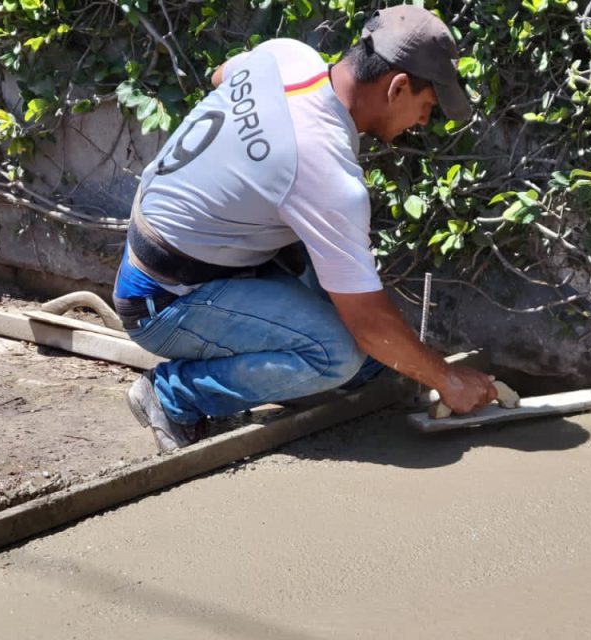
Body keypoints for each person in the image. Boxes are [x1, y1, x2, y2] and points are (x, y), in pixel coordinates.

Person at [114, 5, 499, 451]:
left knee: (348, 292)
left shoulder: (286, 56)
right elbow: (368, 322)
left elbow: (221, 76)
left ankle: (357, 368)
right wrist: (446, 378)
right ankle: (173, 396)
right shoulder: (323, 168)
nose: (423, 122)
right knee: (337, 354)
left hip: (164, 249)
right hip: (164, 300)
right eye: (426, 106)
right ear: (396, 88)